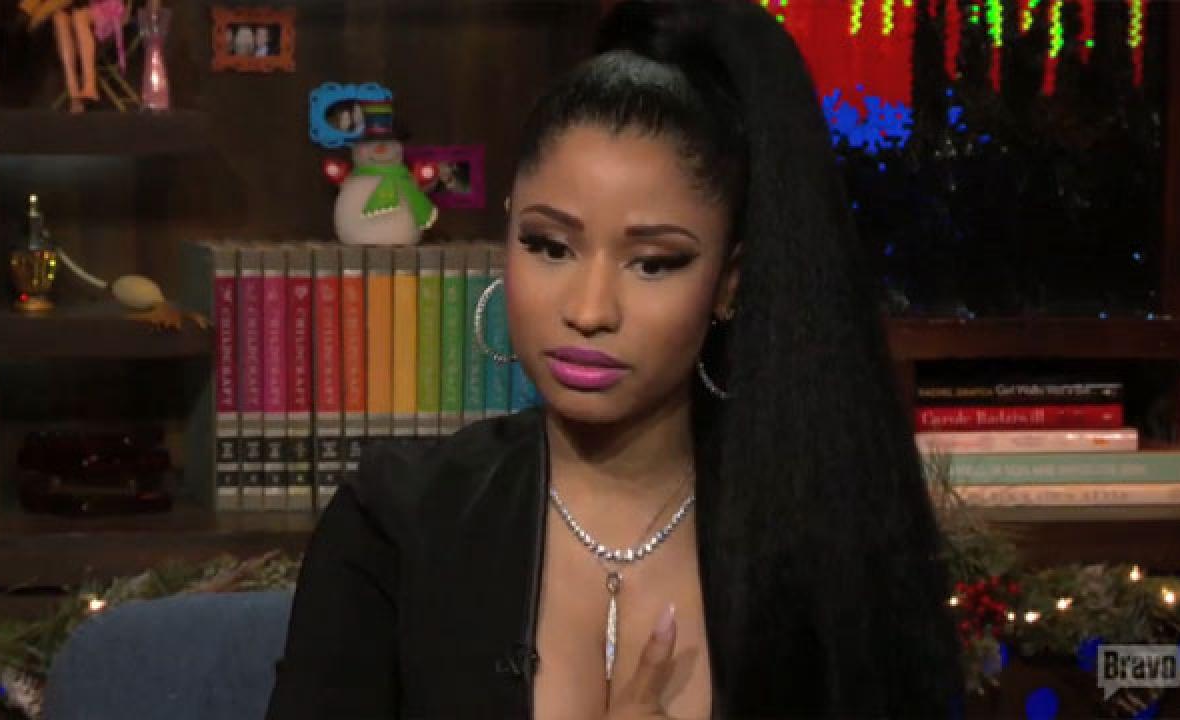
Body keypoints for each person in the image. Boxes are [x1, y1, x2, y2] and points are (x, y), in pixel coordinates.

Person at [265, 1, 963, 718]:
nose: (590, 308)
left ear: (729, 281)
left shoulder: (820, 541)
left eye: (653, 262)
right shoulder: (392, 526)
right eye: (548, 246)